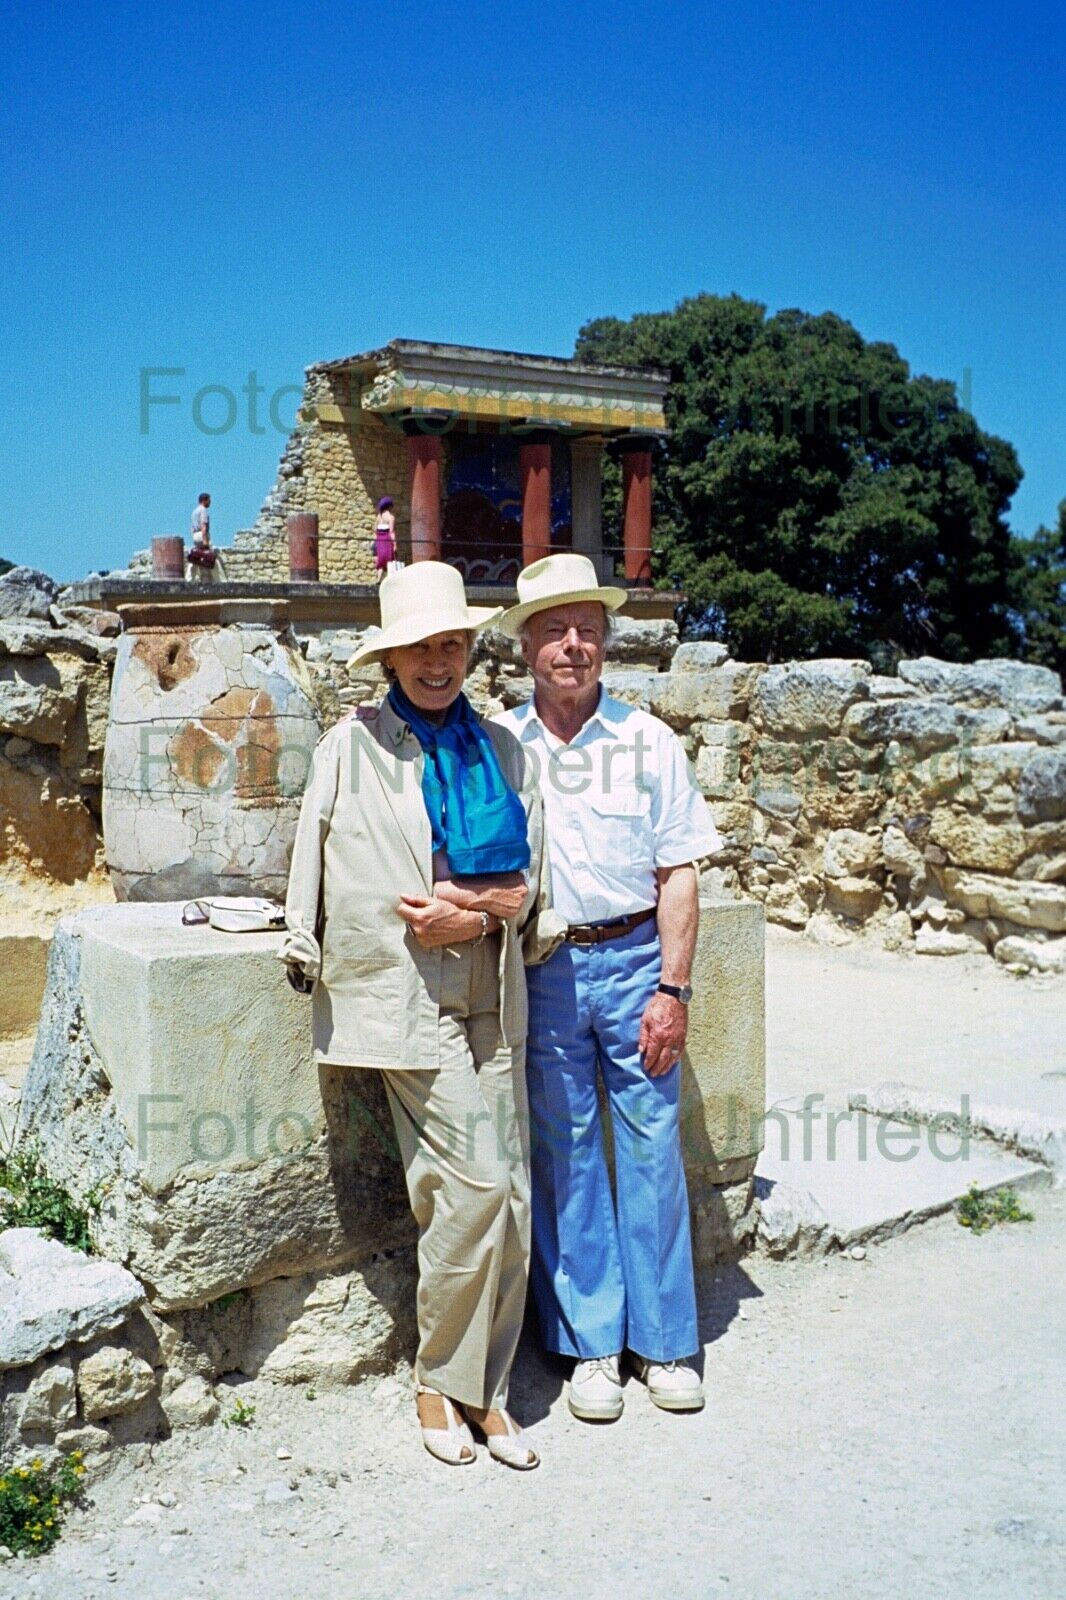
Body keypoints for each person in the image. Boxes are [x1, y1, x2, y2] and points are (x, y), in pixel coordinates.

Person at [279, 561, 563, 1469]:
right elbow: (312, 854)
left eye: (451, 643)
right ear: (390, 656)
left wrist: (472, 913)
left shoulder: (505, 747)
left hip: (492, 980)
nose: (437, 661)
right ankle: (441, 1383)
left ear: (470, 649)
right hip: (403, 992)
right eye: (419, 647)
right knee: (474, 1187)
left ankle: (486, 1392)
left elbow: (531, 886)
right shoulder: (349, 745)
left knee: (508, 1197)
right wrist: (300, 940)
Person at [493, 553, 724, 1422]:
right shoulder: (501, 744)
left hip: (635, 964)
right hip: (545, 965)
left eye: (588, 628)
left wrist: (675, 988)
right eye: (554, 629)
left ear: (606, 642)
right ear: (526, 648)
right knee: (566, 1155)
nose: (574, 645)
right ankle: (591, 1345)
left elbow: (681, 871)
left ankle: (665, 1344)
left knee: (653, 1146)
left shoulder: (647, 740)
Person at [187, 492, 220, 580]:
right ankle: (220, 580)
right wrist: (205, 542)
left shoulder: (194, 511)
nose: (210, 502)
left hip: (195, 536)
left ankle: (189, 579)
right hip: (202, 535)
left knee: (196, 556)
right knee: (211, 557)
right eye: (209, 500)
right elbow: (203, 526)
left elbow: (192, 528)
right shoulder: (203, 510)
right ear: (204, 500)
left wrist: (194, 537)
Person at [373, 496, 396, 577]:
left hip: (379, 539)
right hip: (387, 540)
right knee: (389, 560)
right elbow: (391, 532)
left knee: (381, 560)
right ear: (389, 506)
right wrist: (395, 545)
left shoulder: (379, 517)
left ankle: (378, 579)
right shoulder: (391, 517)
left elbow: (375, 529)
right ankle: (390, 580)